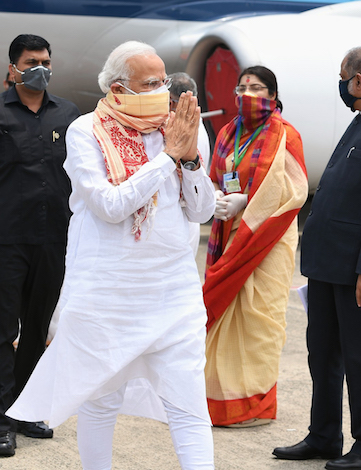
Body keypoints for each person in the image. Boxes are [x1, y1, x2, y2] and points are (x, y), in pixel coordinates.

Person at [7, 40, 216, 469]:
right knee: (100, 405)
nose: (164, 90)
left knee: (190, 409)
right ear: (120, 89)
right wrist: (168, 159)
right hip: (107, 296)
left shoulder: (181, 128)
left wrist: (191, 158)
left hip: (172, 294)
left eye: (164, 80)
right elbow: (111, 206)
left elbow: (201, 210)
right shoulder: (87, 131)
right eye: (151, 83)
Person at [273, 46, 361, 470]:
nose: (341, 84)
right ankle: (323, 436)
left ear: (357, 80)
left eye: (342, 76)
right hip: (329, 266)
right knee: (323, 352)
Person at [203, 65, 307, 427]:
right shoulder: (227, 133)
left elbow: (294, 191)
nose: (248, 93)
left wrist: (246, 203)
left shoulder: (285, 135)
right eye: (242, 87)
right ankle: (219, 400)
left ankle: (256, 405)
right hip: (229, 234)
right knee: (227, 317)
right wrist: (216, 196)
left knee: (260, 319)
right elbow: (215, 176)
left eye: (257, 88)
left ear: (273, 96)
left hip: (268, 239)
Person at [0, 34, 80, 456]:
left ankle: (25, 409)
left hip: (54, 238)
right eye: (32, 61)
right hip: (6, 237)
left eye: (46, 60)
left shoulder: (68, 113)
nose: (41, 68)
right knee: (1, 329)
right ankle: (0, 416)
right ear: (13, 68)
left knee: (37, 326)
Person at [167, 71, 212, 258]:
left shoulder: (187, 131)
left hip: (183, 214)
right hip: (187, 214)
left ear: (172, 101)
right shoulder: (193, 125)